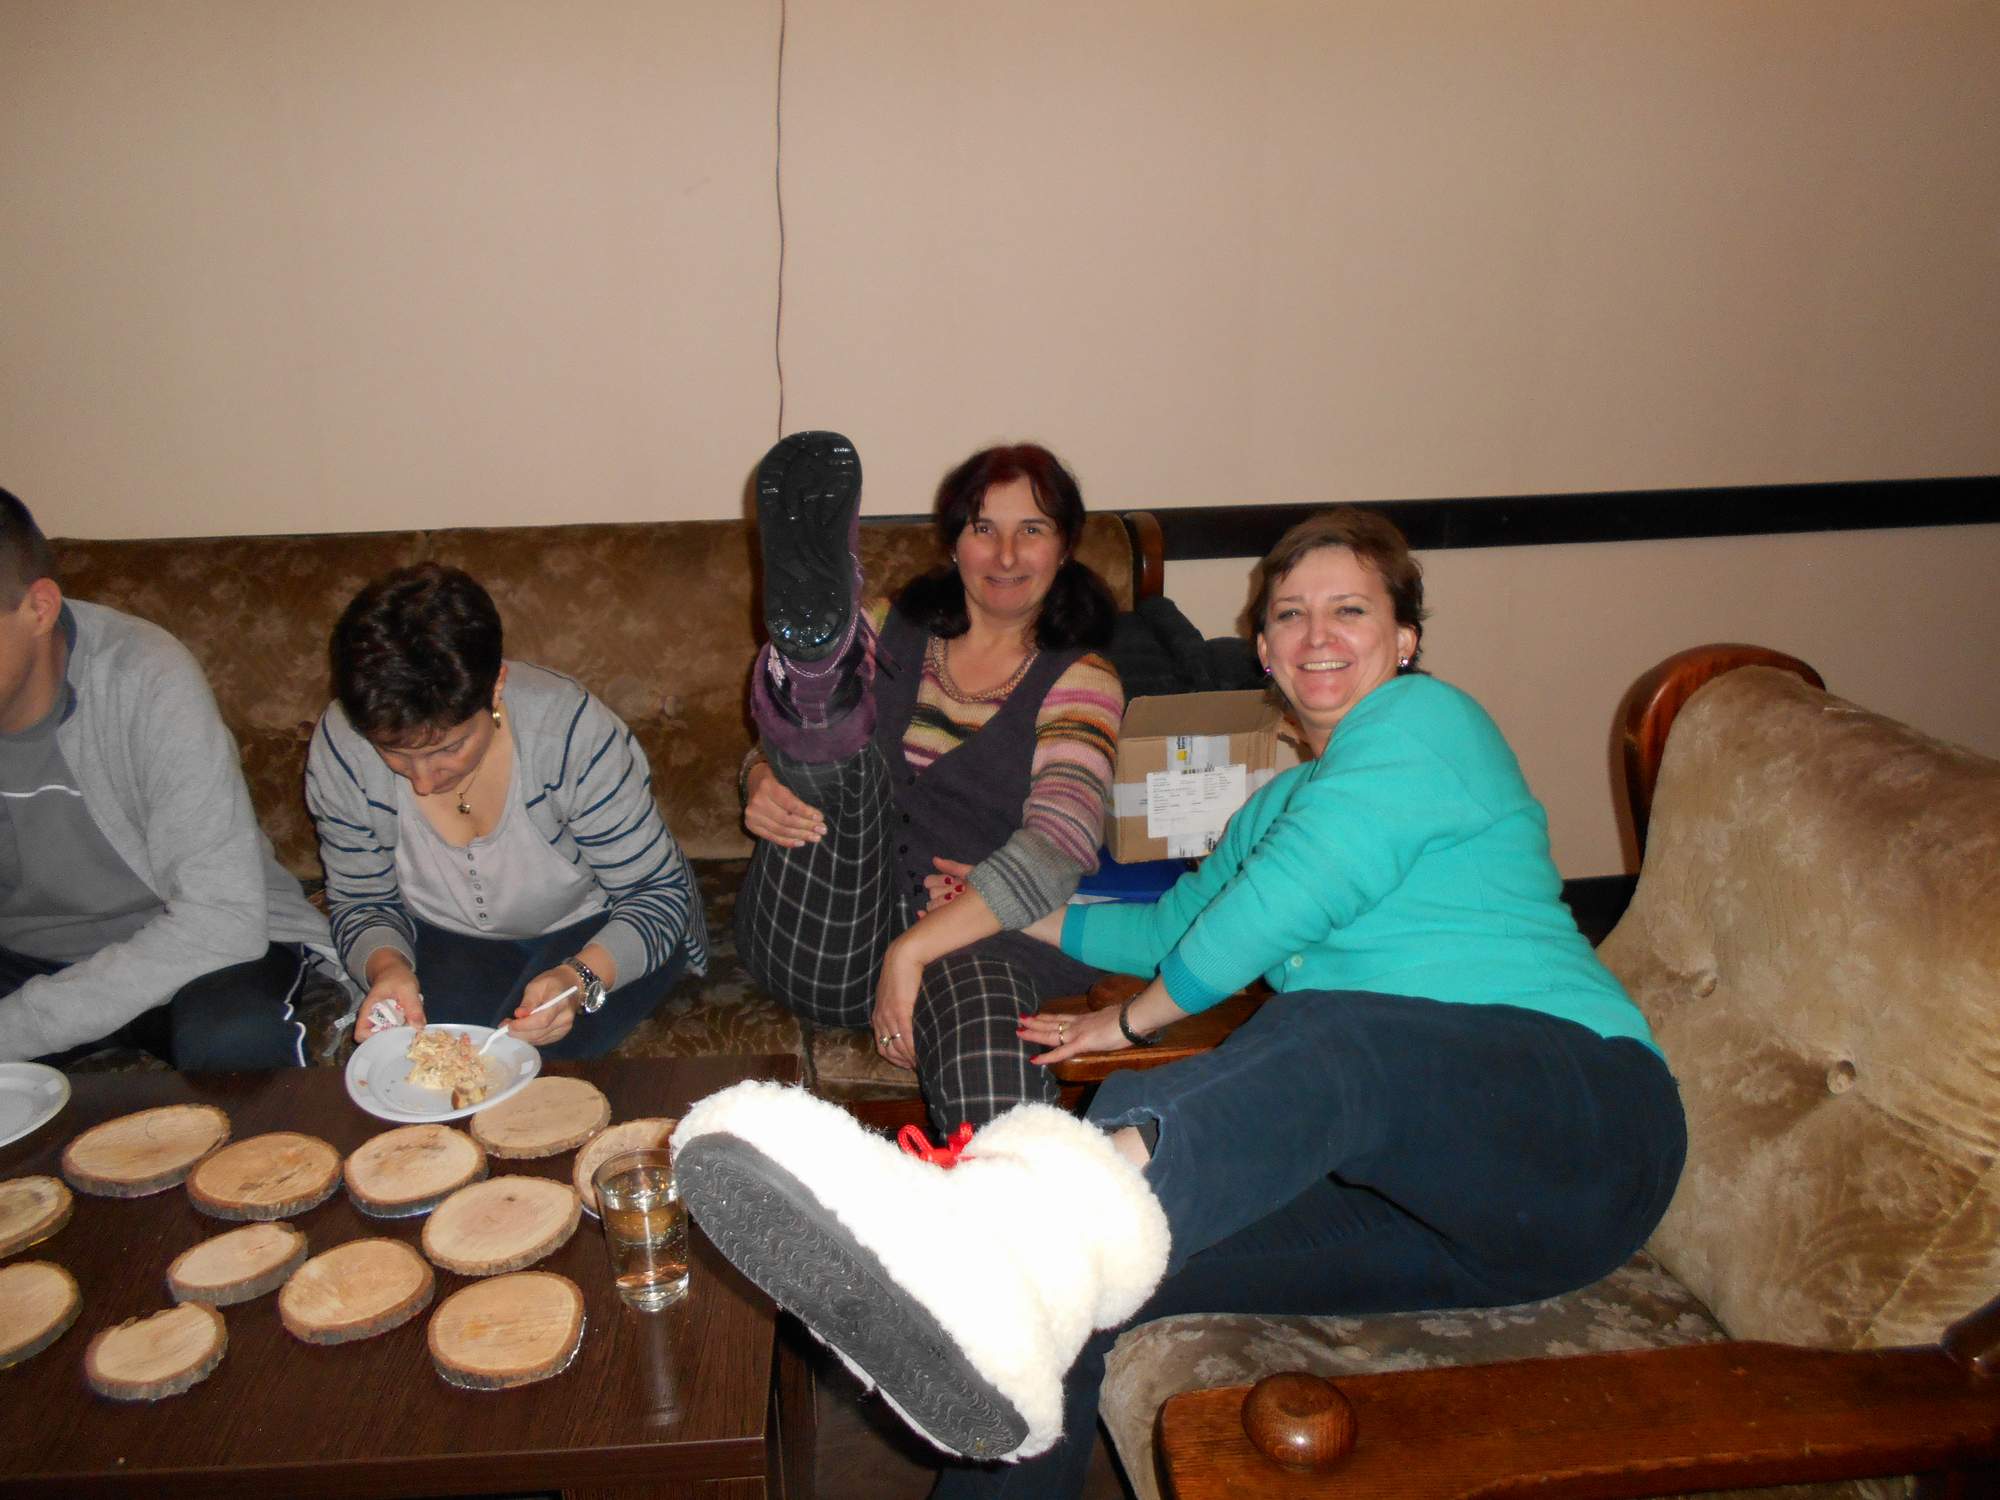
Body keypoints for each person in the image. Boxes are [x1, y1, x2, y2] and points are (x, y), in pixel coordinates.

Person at [673, 507, 1689, 1497]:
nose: (1317, 635)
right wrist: (1008, 908)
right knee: (1088, 1290)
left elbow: (1287, 904)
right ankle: (1005, 1283)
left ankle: (980, 1225)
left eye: (1349, 611)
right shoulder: (1275, 807)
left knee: (1328, 1034)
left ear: (1405, 640)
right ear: (1262, 650)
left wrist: (1126, 1022)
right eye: (1289, 614)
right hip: (1447, 1223)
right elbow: (1169, 932)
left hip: (1581, 1126)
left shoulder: (1427, 722)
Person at [737, 432, 1124, 1134]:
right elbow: (760, 759)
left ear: (1065, 548)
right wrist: (759, 776)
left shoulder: (1084, 680)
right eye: (984, 529)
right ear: (953, 544)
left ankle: (1018, 1191)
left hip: (972, 938)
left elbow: (1058, 846)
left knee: (987, 1046)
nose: (1006, 556)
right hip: (822, 927)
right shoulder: (885, 626)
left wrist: (913, 947)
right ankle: (814, 681)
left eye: (1031, 530)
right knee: (848, 776)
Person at [306, 563, 707, 1058]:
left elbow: (657, 896)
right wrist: (388, 969)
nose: (422, 781)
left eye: (448, 748)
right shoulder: (344, 744)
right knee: (426, 1067)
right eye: (394, 752)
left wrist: (577, 979)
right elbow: (363, 900)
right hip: (443, 936)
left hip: (602, 926)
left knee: (533, 1071)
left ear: (495, 686)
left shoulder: (567, 732)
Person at [0, 488, 331, 1069]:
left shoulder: (144, 676)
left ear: (40, 608)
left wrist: (20, 1026)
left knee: (236, 1041)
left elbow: (220, 920)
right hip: (23, 959)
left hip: (188, 949)